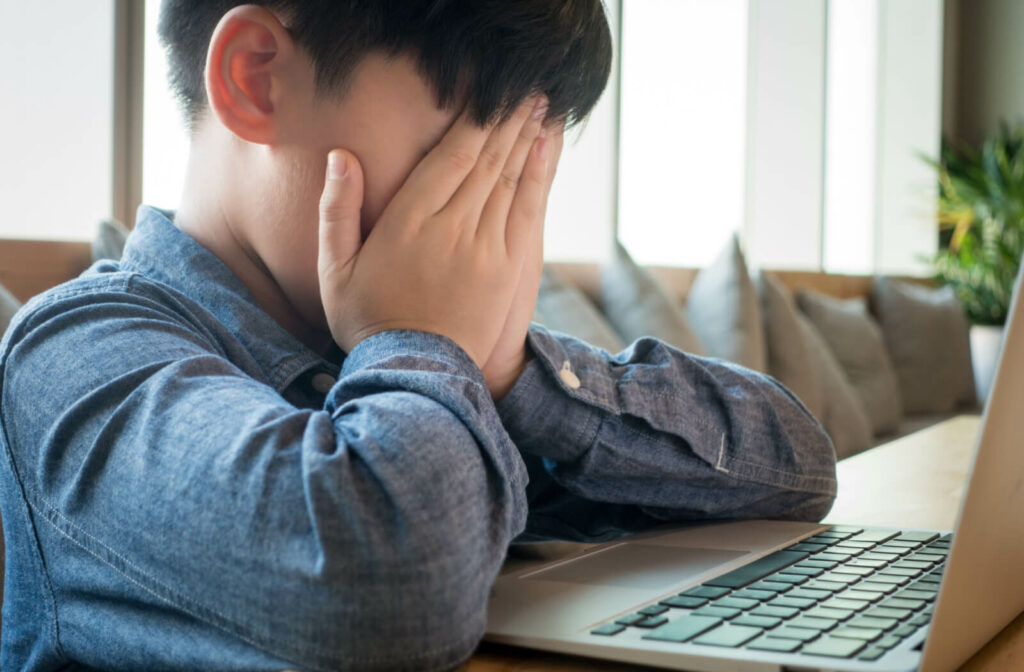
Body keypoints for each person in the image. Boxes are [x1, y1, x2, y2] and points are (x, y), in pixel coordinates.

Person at [0, 1, 837, 670]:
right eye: (463, 158)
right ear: (256, 79)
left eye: (522, 167)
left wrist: (514, 375)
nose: (496, 216)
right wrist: (419, 343)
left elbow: (797, 471)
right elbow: (389, 594)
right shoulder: (74, 354)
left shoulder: (426, 353)